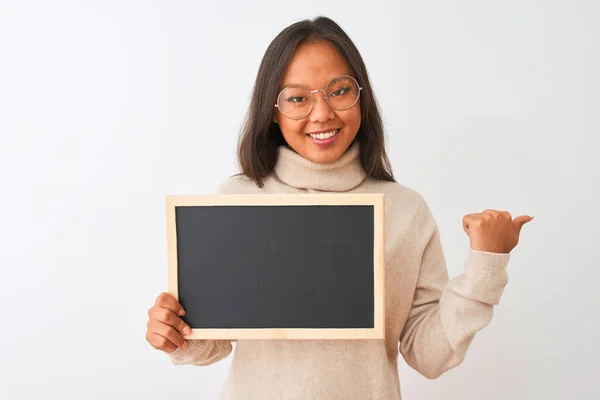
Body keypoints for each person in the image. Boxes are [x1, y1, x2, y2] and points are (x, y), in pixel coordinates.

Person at [145, 16, 532, 399]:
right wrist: (175, 334)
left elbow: (428, 355)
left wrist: (485, 268)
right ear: (273, 111)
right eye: (297, 98)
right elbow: (213, 342)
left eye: (339, 90)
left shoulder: (405, 210)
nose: (322, 114)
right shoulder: (238, 200)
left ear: (361, 96)